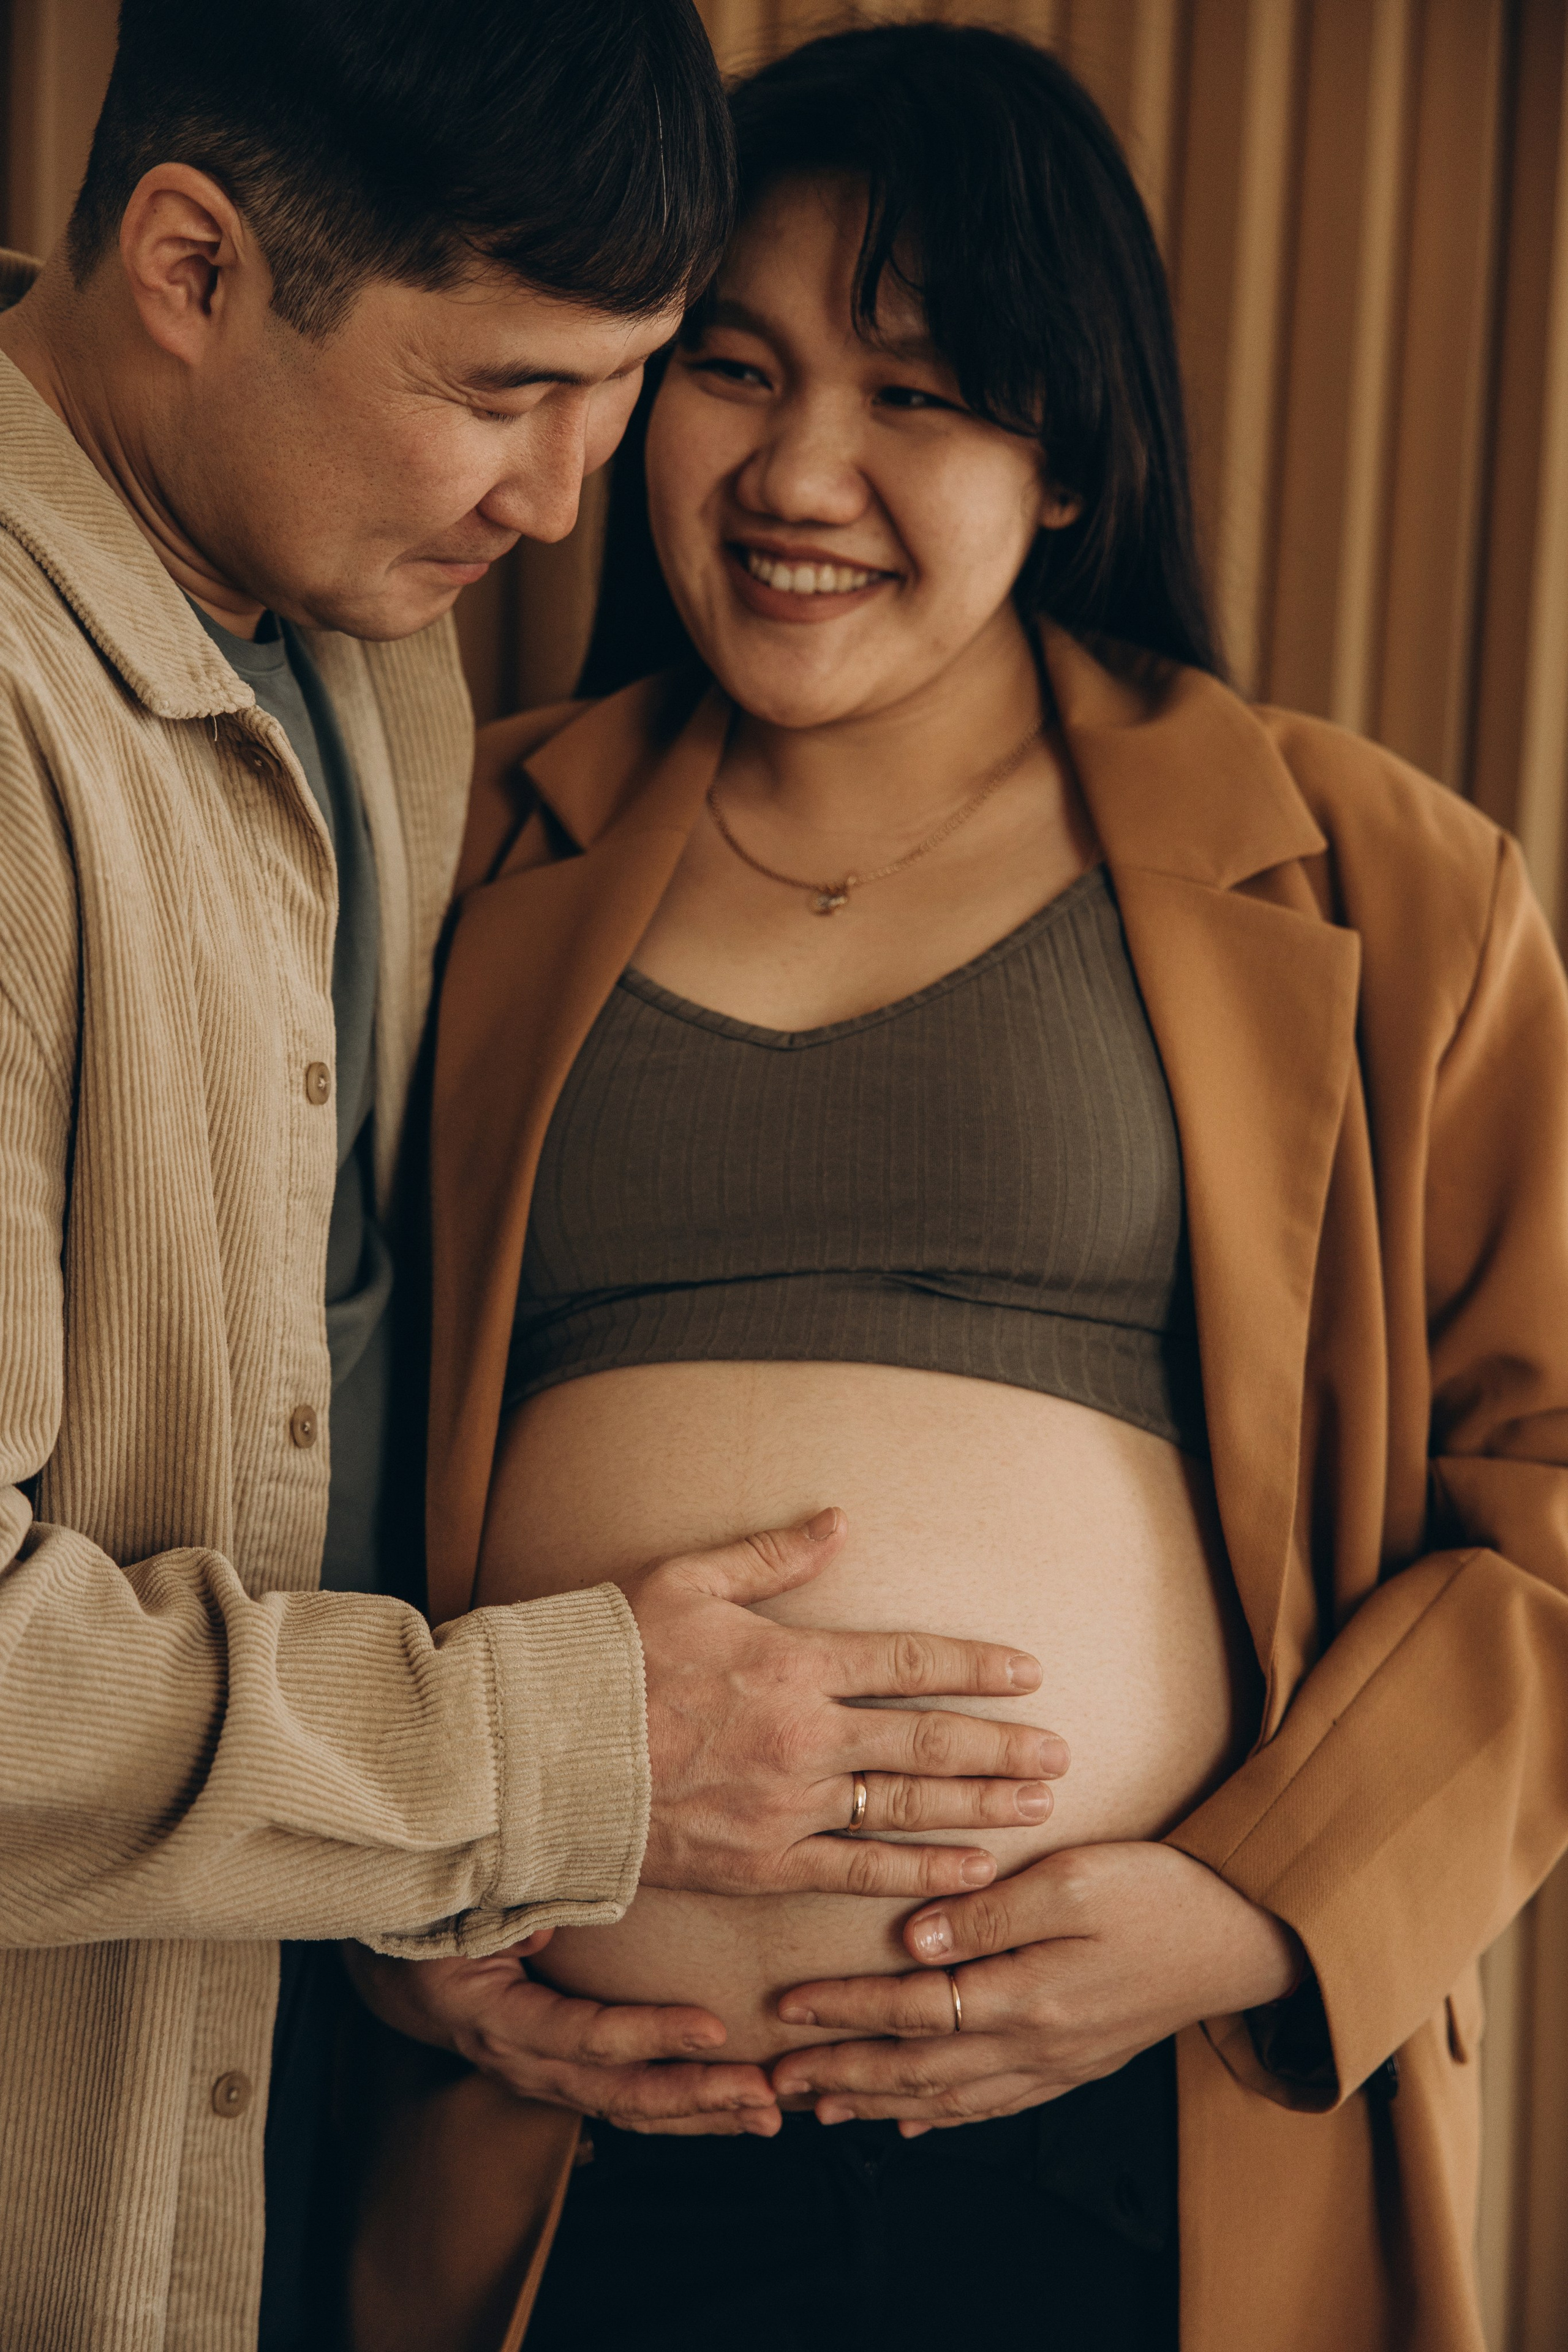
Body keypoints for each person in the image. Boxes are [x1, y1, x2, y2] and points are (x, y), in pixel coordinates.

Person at [362, 21, 1568, 2352]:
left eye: (915, 392)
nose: (799, 466)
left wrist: (1254, 1910)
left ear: (1074, 454)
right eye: (733, 365)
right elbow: (248, 1444)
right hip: (571, 2162)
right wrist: (399, 1944)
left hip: (1134, 2158)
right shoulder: (448, 848)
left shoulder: (1384, 883)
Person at [0, 8, 1062, 2347]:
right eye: (502, 394)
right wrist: (555, 1770)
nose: (573, 504)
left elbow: (328, 1412)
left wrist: (433, 1909)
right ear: (189, 262)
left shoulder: (377, 661)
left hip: (305, 2109)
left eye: (621, 387)